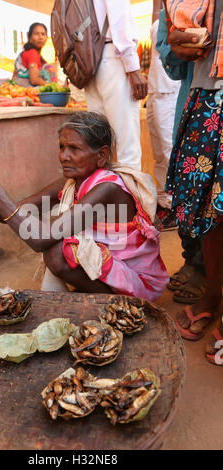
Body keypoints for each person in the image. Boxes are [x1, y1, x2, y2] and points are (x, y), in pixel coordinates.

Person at [0, 112, 168, 301]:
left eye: (74, 149)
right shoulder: (72, 182)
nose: (64, 156)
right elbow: (18, 214)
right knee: (58, 247)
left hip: (139, 281)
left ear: (101, 155)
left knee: (57, 252)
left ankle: (120, 302)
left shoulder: (107, 188)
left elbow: (38, 238)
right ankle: (100, 295)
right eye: (62, 147)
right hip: (115, 269)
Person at [165, 0, 223, 365]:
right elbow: (174, 42)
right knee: (208, 207)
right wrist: (176, 38)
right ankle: (214, 294)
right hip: (208, 90)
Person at [156, 6, 206, 305]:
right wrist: (177, 47)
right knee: (189, 185)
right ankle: (193, 262)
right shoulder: (173, 5)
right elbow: (172, 64)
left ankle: (204, 269)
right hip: (195, 100)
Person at [84, 0, 148, 170]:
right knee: (127, 145)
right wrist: (133, 67)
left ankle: (102, 194)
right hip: (112, 56)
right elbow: (119, 19)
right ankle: (129, 196)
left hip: (89, 59)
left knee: (100, 145)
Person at [147, 0, 181, 229]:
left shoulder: (182, 9)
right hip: (155, 89)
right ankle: (163, 201)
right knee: (159, 151)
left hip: (169, 88)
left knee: (170, 149)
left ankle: (176, 207)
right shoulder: (160, 8)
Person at [13, 23, 57, 87]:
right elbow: (34, 80)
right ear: (29, 37)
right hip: (27, 93)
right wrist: (53, 87)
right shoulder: (32, 53)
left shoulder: (32, 53)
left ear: (46, 38)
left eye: (43, 34)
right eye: (36, 34)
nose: (40, 37)